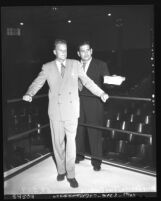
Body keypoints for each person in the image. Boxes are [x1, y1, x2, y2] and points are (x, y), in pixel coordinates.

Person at [22, 39, 109, 188]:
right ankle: (61, 170)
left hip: (71, 111)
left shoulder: (75, 64)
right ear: (55, 52)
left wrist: (101, 93)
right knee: (58, 144)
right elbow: (38, 82)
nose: (64, 53)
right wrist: (30, 93)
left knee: (71, 145)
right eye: (60, 50)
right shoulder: (47, 67)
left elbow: (87, 81)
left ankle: (71, 174)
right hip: (55, 111)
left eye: (66, 50)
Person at [76, 41, 110, 171]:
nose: (85, 53)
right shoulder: (75, 65)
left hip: (94, 103)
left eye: (87, 50)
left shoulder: (101, 64)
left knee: (94, 132)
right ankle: (79, 156)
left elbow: (107, 83)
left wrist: (112, 82)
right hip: (77, 102)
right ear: (78, 53)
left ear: (91, 51)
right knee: (78, 130)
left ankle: (96, 162)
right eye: (82, 51)